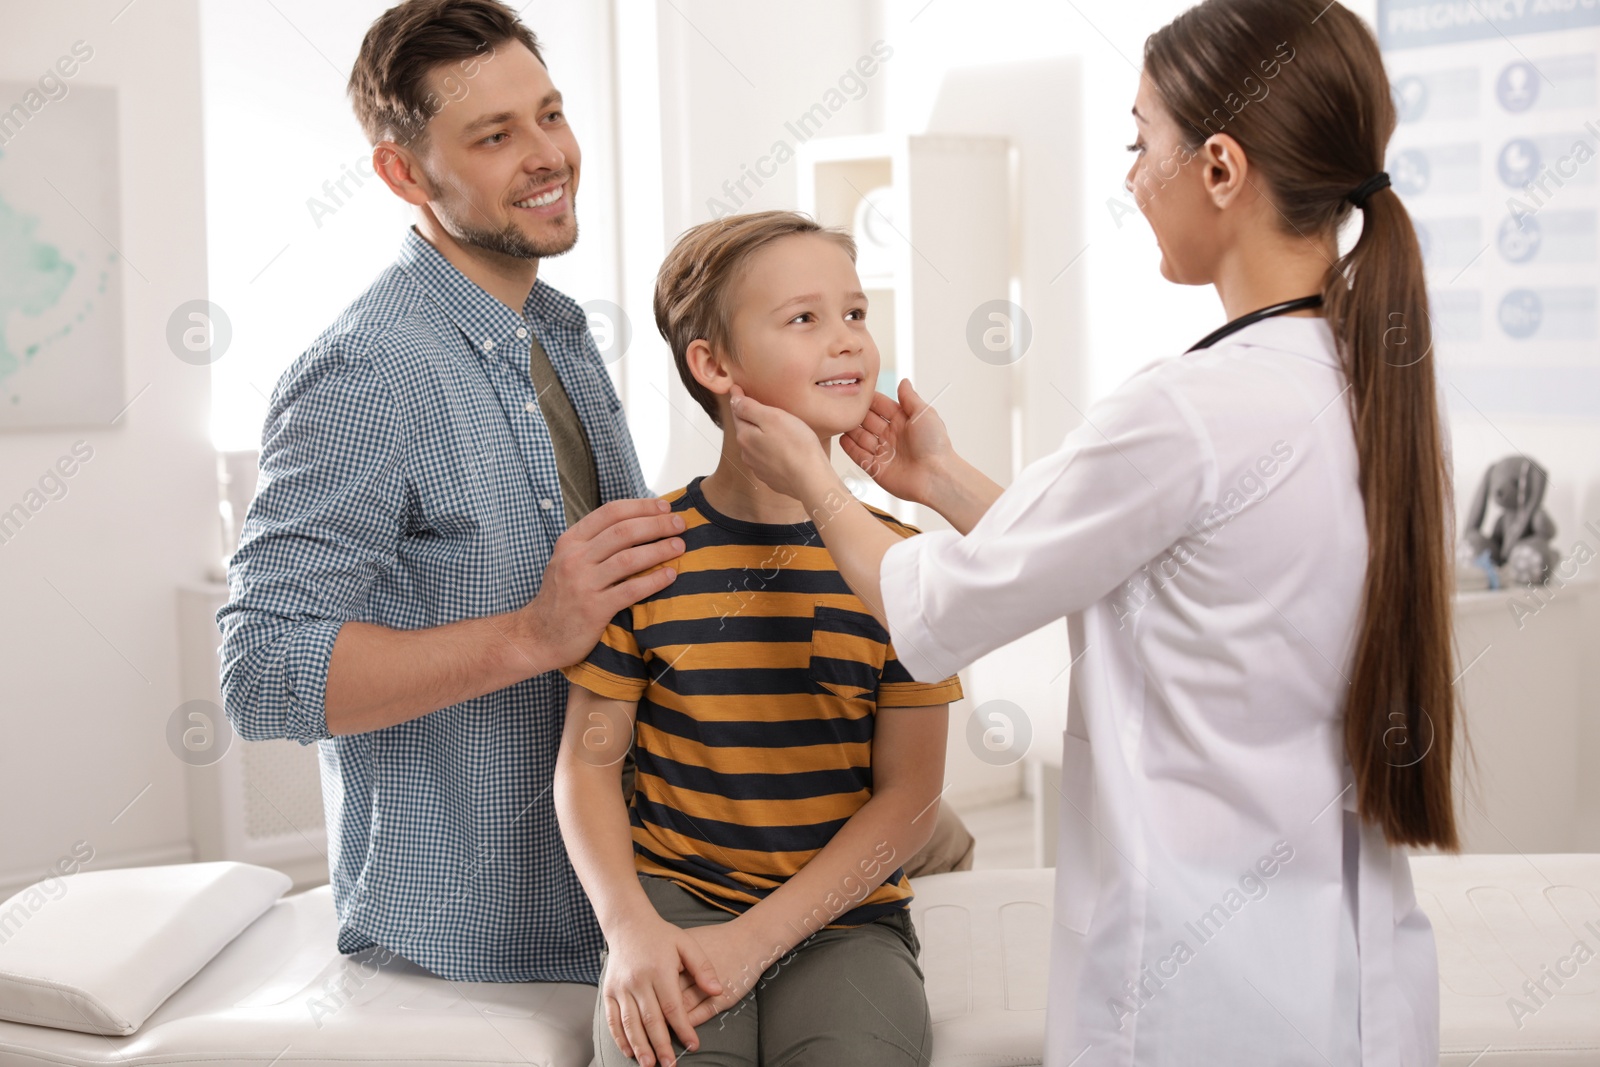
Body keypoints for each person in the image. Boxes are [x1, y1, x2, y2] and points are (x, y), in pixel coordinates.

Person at [725, 3, 1457, 1064]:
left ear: (1218, 167)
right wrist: (941, 478)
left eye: (1139, 140)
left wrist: (816, 483)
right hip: (1354, 985)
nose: (1127, 177)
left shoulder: (1188, 408)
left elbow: (937, 611)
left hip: (1199, 998)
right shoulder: (1360, 383)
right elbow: (1140, 560)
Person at [554, 212, 960, 1067]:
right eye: (805, 319)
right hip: (675, 915)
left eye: (855, 314)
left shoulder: (905, 565)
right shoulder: (645, 550)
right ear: (714, 364)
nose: (847, 342)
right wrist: (630, 930)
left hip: (848, 922)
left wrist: (758, 940)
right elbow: (588, 765)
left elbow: (913, 797)